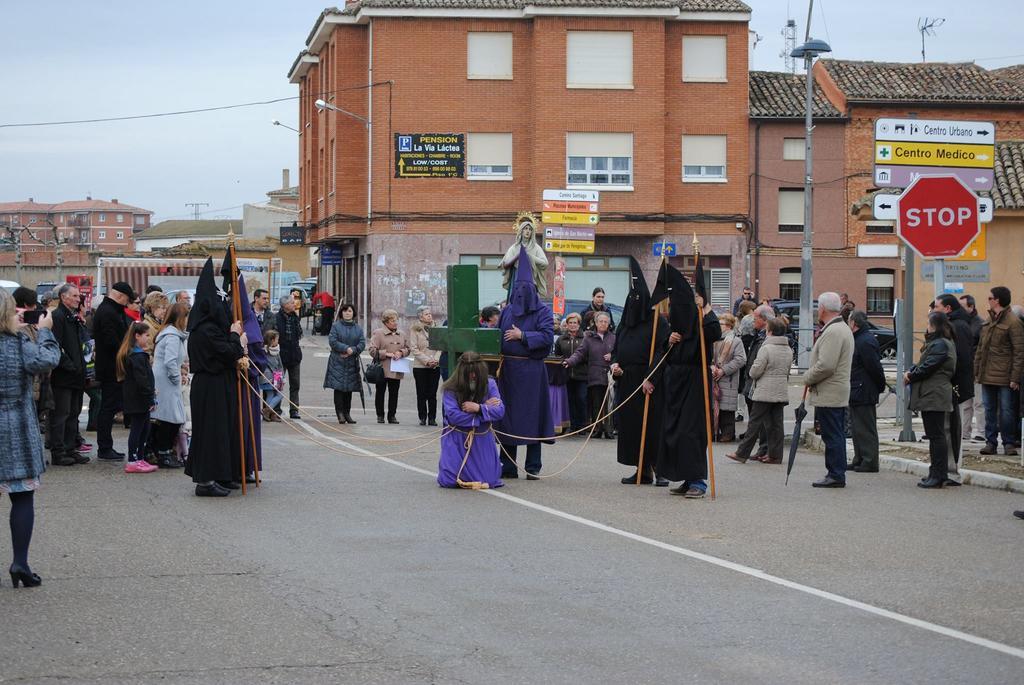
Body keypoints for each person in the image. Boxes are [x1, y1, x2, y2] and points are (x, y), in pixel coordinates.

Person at [0, 288, 60, 588]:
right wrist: (45, 331)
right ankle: (20, 563)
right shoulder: (18, 341)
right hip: (17, 428)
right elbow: (47, 361)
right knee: (22, 496)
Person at [653, 262, 722, 498]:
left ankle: (698, 481)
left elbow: (715, 331)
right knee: (674, 431)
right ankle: (685, 476)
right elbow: (665, 354)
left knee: (691, 432)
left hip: (695, 381)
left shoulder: (702, 327)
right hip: (675, 382)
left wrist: (706, 308)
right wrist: (668, 341)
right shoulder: (676, 331)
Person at [185, 259, 247, 497]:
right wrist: (234, 337)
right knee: (210, 432)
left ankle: (221, 472)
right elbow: (228, 351)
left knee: (223, 431)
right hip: (209, 385)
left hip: (220, 383)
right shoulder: (205, 330)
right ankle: (205, 480)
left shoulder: (212, 328)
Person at [496, 246, 555, 479]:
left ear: (532, 290)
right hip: (508, 372)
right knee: (506, 418)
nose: (521, 293)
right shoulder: (507, 310)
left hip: (531, 372)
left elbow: (548, 337)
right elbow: (497, 335)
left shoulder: (542, 312)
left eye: (525, 289)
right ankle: (508, 465)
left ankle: (533, 467)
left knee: (533, 418)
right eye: (517, 289)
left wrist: (523, 336)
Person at [610, 257, 669, 485]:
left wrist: (651, 377)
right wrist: (615, 364)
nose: (634, 302)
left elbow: (662, 352)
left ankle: (660, 469)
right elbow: (616, 349)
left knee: (654, 426)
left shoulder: (657, 323)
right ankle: (642, 469)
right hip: (627, 380)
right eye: (631, 298)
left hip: (649, 382)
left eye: (638, 298)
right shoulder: (624, 323)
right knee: (633, 427)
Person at [803, 292, 854, 488]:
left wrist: (807, 377)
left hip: (830, 392)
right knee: (834, 433)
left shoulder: (834, 331)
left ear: (822, 308)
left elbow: (826, 365)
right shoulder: (839, 328)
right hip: (833, 391)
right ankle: (835, 472)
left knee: (833, 434)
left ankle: (836, 474)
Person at [727, 317, 792, 464]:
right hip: (780, 390)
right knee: (777, 425)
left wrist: (752, 372)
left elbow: (755, 371)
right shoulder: (788, 349)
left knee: (754, 423)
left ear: (770, 331)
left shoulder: (766, 348)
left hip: (764, 391)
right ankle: (776, 455)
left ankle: (741, 453)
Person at [437, 351, 506, 489]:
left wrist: (479, 408)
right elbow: (453, 416)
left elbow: (500, 411)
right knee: (450, 480)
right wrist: (484, 412)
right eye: (469, 373)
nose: (473, 376)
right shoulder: (450, 387)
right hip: (457, 438)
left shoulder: (490, 383)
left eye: (475, 373)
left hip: (481, 438)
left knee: (488, 480)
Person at [906, 311, 958, 489]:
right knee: (935, 435)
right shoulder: (939, 343)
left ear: (934, 326)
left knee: (936, 436)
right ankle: (935, 472)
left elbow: (927, 367)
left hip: (934, 393)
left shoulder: (940, 344)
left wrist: (910, 376)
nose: (926, 328)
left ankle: (938, 474)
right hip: (932, 392)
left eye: (928, 325)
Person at [974, 286, 1024, 456]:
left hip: (1005, 376)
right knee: (989, 410)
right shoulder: (988, 321)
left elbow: (1019, 352)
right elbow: (981, 349)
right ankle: (991, 442)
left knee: (1007, 411)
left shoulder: (1013, 322)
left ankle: (1008, 443)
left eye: (990, 298)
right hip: (987, 374)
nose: (987, 300)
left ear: (997, 300)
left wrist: (1015, 378)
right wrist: (977, 371)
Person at [935, 294, 975, 482]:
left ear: (948, 309)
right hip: (951, 384)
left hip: (952, 385)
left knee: (950, 428)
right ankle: (946, 468)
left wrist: (952, 384)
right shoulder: (957, 324)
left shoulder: (957, 326)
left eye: (937, 307)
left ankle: (950, 470)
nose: (934, 311)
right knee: (946, 428)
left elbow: (959, 359)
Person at [48, 284, 88, 467]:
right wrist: (70, 365)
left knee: (73, 413)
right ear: (63, 297)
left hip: (76, 375)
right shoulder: (58, 317)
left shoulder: (73, 318)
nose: (77, 298)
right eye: (74, 296)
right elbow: (56, 346)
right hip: (64, 375)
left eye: (78, 296)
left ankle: (71, 448)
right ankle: (59, 451)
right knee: (61, 414)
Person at [93, 282, 133, 461]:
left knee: (109, 407)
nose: (127, 303)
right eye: (127, 299)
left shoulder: (110, 310)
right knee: (108, 408)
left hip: (112, 365)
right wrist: (126, 353)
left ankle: (106, 446)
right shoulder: (109, 312)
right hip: (111, 367)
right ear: (120, 296)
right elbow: (111, 341)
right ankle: (104, 448)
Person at [564, 311, 616, 439]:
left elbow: (620, 352)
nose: (603, 324)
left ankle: (609, 430)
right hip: (595, 375)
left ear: (609, 324)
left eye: (605, 322)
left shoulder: (614, 337)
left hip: (611, 375)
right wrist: (569, 361)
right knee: (596, 404)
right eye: (601, 321)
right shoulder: (589, 338)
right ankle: (597, 428)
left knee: (609, 404)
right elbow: (579, 353)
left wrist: (613, 356)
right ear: (596, 323)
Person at [847, 310, 886, 473]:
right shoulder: (859, 339)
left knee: (865, 427)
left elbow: (874, 367)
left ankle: (869, 460)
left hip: (864, 389)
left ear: (854, 323)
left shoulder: (865, 341)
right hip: (857, 388)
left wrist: (880, 385)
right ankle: (860, 458)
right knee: (856, 427)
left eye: (849, 321)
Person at [151, 302, 189, 469]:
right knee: (171, 418)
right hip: (166, 380)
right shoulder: (172, 336)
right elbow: (170, 361)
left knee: (168, 417)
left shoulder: (171, 334)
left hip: (164, 378)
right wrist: (176, 378)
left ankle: (161, 450)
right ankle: (163, 452)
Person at [116, 322, 157, 474]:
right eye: (146, 335)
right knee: (138, 429)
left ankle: (139, 458)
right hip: (139, 399)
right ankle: (133, 460)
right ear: (137, 336)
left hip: (138, 398)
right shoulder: (137, 356)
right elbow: (142, 380)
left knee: (144, 428)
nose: (148, 338)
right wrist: (149, 397)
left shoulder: (135, 354)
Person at [739, 304, 775, 459]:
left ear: (763, 319)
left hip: (760, 382)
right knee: (759, 419)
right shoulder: (759, 335)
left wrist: (752, 372)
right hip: (753, 380)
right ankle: (762, 449)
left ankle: (763, 450)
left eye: (755, 318)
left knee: (763, 420)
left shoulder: (767, 337)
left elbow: (761, 361)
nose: (753, 321)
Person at [324, 303, 365, 424]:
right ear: (342, 313)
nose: (348, 313)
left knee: (349, 389)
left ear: (354, 313)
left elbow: (362, 343)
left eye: (350, 311)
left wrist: (353, 350)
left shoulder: (358, 328)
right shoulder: (336, 326)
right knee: (339, 388)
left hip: (351, 362)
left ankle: (347, 413)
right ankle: (340, 413)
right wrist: (346, 348)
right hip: (338, 361)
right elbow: (333, 341)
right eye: (345, 311)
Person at [367, 309, 409, 424]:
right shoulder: (378, 333)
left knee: (394, 393)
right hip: (382, 368)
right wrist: (386, 354)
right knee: (380, 392)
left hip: (397, 368)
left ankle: (392, 416)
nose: (395, 323)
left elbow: (408, 348)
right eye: (392, 320)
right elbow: (372, 350)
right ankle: (380, 415)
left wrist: (401, 352)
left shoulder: (402, 334)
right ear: (386, 322)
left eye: (396, 320)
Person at [712, 313, 746, 443]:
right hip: (713, 377)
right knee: (713, 406)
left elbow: (741, 359)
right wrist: (712, 367)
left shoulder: (736, 341)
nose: (718, 326)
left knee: (727, 408)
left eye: (720, 324)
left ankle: (728, 434)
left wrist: (724, 370)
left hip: (728, 378)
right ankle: (714, 432)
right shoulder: (714, 339)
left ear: (728, 326)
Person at [500, 214, 548, 297]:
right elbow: (506, 263)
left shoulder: (536, 248)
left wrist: (530, 257)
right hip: (517, 277)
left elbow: (545, 263)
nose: (528, 231)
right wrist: (518, 255)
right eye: (525, 229)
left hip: (530, 279)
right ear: (521, 231)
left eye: (530, 229)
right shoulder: (514, 247)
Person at [556, 312, 589, 433]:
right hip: (567, 374)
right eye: (570, 323)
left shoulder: (585, 338)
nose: (573, 325)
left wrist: (575, 360)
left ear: (579, 324)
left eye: (575, 322)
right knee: (570, 400)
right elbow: (558, 356)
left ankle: (582, 425)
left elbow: (588, 355)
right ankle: (572, 424)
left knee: (581, 399)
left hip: (582, 374)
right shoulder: (561, 339)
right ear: (567, 324)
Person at [409, 305, 441, 426]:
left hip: (435, 365)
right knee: (421, 393)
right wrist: (427, 360)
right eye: (426, 314)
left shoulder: (437, 328)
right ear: (420, 317)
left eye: (430, 313)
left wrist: (435, 360)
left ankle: (432, 418)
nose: (429, 316)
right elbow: (414, 348)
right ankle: (422, 417)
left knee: (432, 393)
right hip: (420, 366)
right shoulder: (415, 329)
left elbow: (440, 346)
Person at [959, 294, 985, 440]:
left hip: (977, 367)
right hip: (964, 368)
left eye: (963, 306)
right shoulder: (960, 323)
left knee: (979, 402)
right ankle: (964, 432)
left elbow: (982, 347)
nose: (960, 309)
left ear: (971, 307)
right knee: (965, 403)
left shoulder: (980, 323)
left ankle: (981, 432)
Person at [275, 294, 303, 419]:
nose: (294, 304)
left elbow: (299, 334)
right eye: (292, 303)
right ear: (285, 305)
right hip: (279, 357)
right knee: (278, 383)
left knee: (295, 384)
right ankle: (275, 408)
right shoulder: (276, 318)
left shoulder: (295, 317)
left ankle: (294, 409)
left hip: (295, 356)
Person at [262, 329, 284, 421]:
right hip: (268, 376)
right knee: (276, 395)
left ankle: (267, 411)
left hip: (277, 375)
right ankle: (267, 410)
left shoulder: (277, 350)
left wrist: (282, 377)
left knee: (274, 394)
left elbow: (280, 365)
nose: (278, 341)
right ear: (271, 340)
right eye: (276, 339)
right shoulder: (264, 351)